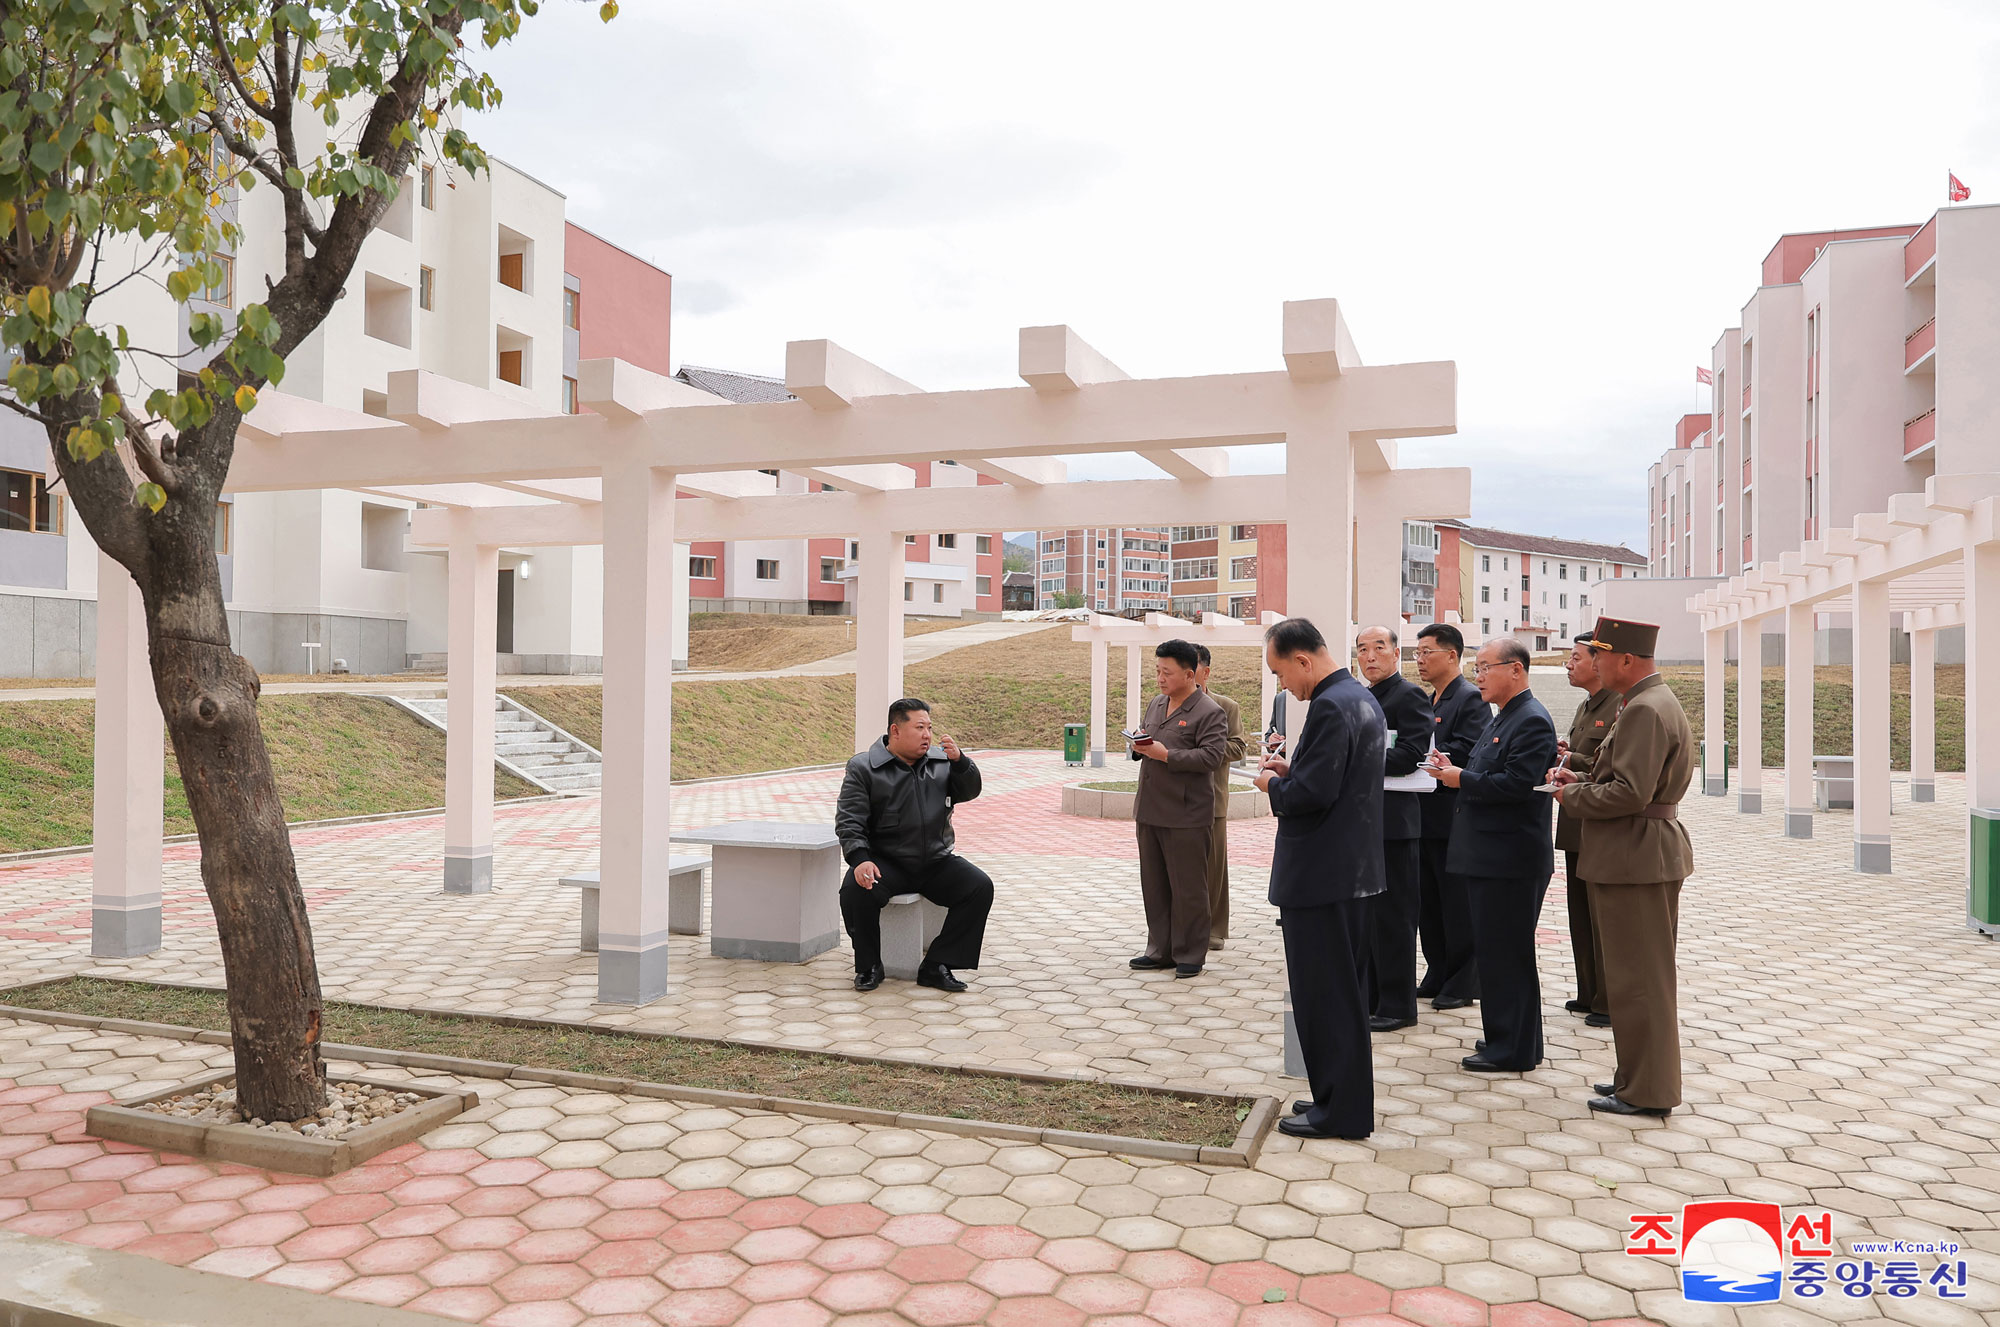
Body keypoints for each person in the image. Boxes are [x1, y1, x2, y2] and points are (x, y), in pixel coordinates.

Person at [1551, 616, 1693, 1118]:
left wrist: (1570, 793)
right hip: (1636, 852)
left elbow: (1630, 793)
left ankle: (1648, 1090)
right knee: (1635, 978)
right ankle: (1634, 1077)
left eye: (1601, 654)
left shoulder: (1644, 710)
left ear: (1626, 659)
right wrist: (1583, 771)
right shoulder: (1646, 702)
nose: (1594, 662)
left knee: (1640, 982)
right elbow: (1630, 775)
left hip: (1636, 854)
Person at [1254, 617, 1384, 1140]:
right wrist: (1294, 772)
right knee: (1339, 994)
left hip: (1324, 875)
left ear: (1303, 660)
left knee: (1326, 996)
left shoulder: (1331, 705)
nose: (1284, 685)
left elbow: (1313, 796)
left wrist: (1271, 783)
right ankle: (1336, 1094)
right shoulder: (1358, 697)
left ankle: (1342, 1112)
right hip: (1348, 871)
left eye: (1281, 673)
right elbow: (1336, 777)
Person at [1427, 638, 1558, 1073]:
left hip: (1510, 859)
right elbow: (1490, 770)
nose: (1478, 675)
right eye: (1477, 668)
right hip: (1491, 856)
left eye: (1485, 667)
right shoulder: (1506, 717)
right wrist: (1455, 767)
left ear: (1516, 670)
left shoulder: (1532, 720)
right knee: (1498, 952)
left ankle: (1513, 1048)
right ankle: (1508, 1035)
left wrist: (1461, 778)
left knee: (1508, 954)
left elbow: (1518, 785)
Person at [836, 698, 994, 993]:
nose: (927, 735)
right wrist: (860, 859)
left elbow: (970, 791)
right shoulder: (863, 767)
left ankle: (937, 964)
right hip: (887, 863)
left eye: (930, 728)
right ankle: (869, 965)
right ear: (895, 730)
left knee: (979, 887)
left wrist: (961, 763)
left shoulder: (942, 763)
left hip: (935, 861)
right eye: (919, 727)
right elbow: (849, 820)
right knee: (855, 891)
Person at [1128, 639, 1229, 978]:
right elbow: (1148, 741)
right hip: (1151, 809)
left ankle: (1190, 953)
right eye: (1157, 671)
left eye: (1167, 672)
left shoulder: (1209, 712)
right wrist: (1139, 746)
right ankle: (1160, 950)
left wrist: (1166, 755)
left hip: (1186, 813)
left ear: (1190, 674)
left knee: (1188, 888)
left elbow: (1212, 758)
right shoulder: (1157, 704)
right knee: (1155, 885)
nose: (1160, 678)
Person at [1354, 625, 1431, 1033]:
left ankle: (1399, 1006)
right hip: (1366, 823)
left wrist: (1355, 759)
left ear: (1396, 653)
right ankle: (1372, 999)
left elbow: (1410, 755)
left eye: (1378, 648)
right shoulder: (1363, 695)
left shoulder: (1409, 695)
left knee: (1395, 919)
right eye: (1362, 649)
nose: (1369, 657)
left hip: (1397, 825)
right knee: (1368, 920)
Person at [1412, 622, 1488, 1010]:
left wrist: (1428, 753)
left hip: (1452, 817)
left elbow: (1469, 748)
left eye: (1427, 652)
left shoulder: (1469, 697)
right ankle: (1438, 970)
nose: (1420, 660)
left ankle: (1461, 981)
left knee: (1455, 903)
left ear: (1453, 655)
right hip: (1426, 815)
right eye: (1417, 653)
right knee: (1430, 903)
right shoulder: (1432, 699)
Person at [1555, 631, 1618, 1029]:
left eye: (1576, 658)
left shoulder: (1619, 706)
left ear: (1597, 662)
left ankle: (1607, 1000)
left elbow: (1604, 761)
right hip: (1575, 821)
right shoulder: (1586, 705)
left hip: (1599, 823)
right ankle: (1587, 989)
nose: (1569, 664)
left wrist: (1569, 756)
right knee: (1579, 913)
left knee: (1601, 918)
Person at [1192, 644, 1249, 952]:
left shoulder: (1226, 706)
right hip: (1175, 800)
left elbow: (1239, 747)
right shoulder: (1165, 704)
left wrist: (1204, 752)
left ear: (1205, 671)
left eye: (1192, 667)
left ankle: (1214, 928)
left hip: (1213, 799)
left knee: (1213, 868)